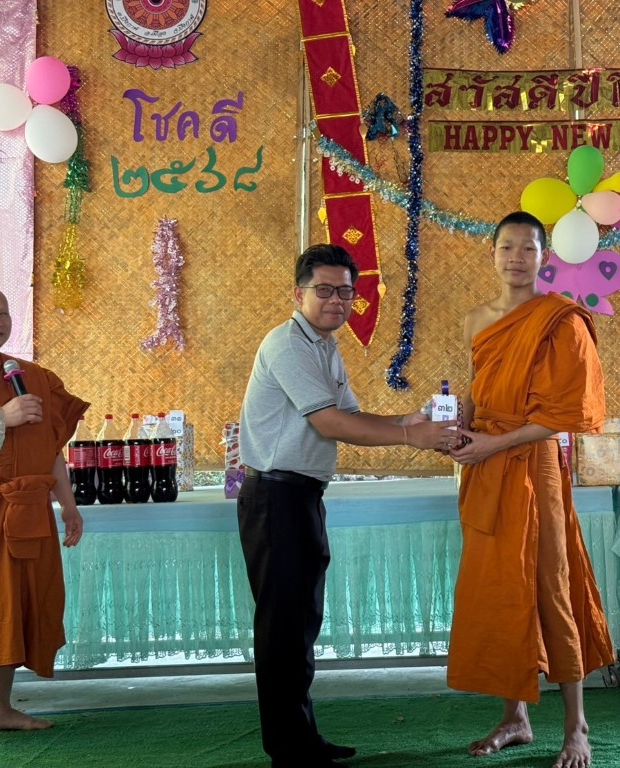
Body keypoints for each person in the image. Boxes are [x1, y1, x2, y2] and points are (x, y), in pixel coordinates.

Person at [237, 243, 458, 768]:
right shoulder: (287, 344)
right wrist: (412, 437)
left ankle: (302, 740)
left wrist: (408, 419)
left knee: (300, 623)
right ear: (299, 294)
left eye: (346, 292)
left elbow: (353, 416)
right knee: (283, 627)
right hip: (275, 497)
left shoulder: (324, 346)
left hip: (300, 496)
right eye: (325, 290)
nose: (337, 300)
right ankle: (289, 751)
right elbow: (330, 423)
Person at [447, 212, 614, 768]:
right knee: (502, 584)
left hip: (533, 464)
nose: (516, 258)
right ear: (491, 253)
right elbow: (476, 391)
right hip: (484, 466)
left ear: (545, 258)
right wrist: (454, 427)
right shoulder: (475, 320)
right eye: (506, 247)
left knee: (550, 583)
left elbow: (565, 415)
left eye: (527, 248)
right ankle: (514, 717)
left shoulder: (559, 320)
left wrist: (491, 444)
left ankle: (576, 726)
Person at [0, 284, 87, 731]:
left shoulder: (33, 378)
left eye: (3, 313)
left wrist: (69, 505)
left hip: (27, 512)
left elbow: (50, 449)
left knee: (16, 606)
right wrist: (0, 417)